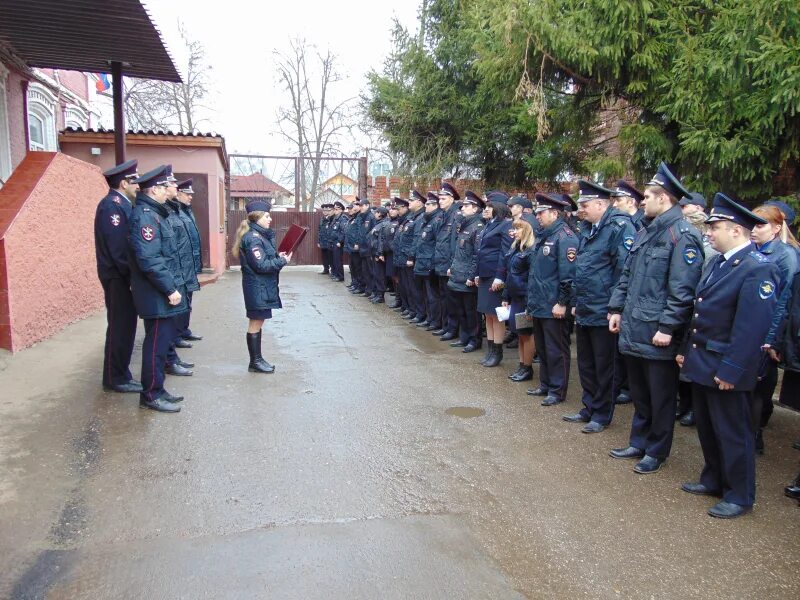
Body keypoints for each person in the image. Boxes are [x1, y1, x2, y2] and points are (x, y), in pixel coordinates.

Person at [678, 193, 779, 518]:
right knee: (708, 428)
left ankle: (739, 494)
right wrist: (685, 352)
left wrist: (732, 370)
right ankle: (714, 479)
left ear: (736, 230)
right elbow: (700, 311)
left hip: (726, 367)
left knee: (733, 432)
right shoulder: (718, 262)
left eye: (715, 227)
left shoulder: (757, 269)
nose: (708, 233)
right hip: (704, 360)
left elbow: (750, 329)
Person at [607, 162, 704, 474]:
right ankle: (639, 441)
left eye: (648, 196)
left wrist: (667, 327)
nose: (643, 201)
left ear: (665, 200)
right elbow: (627, 277)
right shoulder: (646, 231)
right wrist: (616, 309)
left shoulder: (682, 236)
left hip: (656, 332)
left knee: (661, 397)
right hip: (634, 325)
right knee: (640, 392)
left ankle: (656, 450)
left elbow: (683, 290)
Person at [563, 180, 635, 433]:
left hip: (604, 308)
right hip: (585, 306)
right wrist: (574, 301)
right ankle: (589, 407)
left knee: (605, 365)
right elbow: (581, 269)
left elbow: (623, 272)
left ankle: (602, 413)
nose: (580, 208)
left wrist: (615, 308)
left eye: (585, 204)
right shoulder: (588, 227)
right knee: (586, 363)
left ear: (601, 204)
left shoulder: (619, 227)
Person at [127, 165, 189, 413]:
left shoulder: (154, 213)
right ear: (154, 189)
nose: (168, 191)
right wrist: (169, 289)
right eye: (165, 187)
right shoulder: (145, 216)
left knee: (161, 344)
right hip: (155, 292)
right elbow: (150, 259)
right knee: (155, 346)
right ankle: (151, 394)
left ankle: (158, 389)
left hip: (159, 290)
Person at [751, 203, 799, 453]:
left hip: (768, 330)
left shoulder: (786, 256)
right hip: (751, 326)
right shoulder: (753, 249)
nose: (753, 229)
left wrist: (771, 339)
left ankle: (755, 435)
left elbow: (785, 302)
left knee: (761, 385)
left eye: (760, 224)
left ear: (776, 228)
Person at [94, 159, 142, 394]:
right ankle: (115, 377)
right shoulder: (112, 206)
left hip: (122, 275)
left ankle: (121, 373)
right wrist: (131, 277)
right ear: (123, 183)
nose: (138, 186)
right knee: (119, 327)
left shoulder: (122, 204)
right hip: (117, 277)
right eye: (134, 181)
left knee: (126, 326)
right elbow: (118, 248)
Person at [525, 193, 577, 406]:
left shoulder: (566, 238)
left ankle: (557, 389)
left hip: (554, 303)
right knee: (544, 348)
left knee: (556, 349)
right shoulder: (545, 235)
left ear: (554, 213)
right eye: (537, 212)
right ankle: (545, 384)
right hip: (540, 301)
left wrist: (562, 302)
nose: (538, 216)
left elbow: (568, 276)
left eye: (542, 212)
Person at [231, 200, 292, 374]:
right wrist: (282, 261)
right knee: (256, 322)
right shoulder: (252, 238)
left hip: (260, 287)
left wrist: (277, 255)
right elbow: (261, 265)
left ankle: (257, 359)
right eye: (267, 216)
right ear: (257, 217)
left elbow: (264, 258)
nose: (270, 219)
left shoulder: (258, 236)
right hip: (257, 287)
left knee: (258, 322)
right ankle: (255, 361)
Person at [676, 208, 719, 427]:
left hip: (700, 318)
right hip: (689, 313)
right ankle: (686, 405)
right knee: (685, 367)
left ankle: (691, 407)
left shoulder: (710, 253)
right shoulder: (709, 255)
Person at [163, 172, 200, 378]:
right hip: (175, 271)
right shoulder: (167, 212)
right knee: (171, 315)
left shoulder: (181, 211)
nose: (189, 196)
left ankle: (175, 347)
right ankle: (170, 356)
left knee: (183, 306)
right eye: (172, 186)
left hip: (185, 267)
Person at [475, 191, 513, 367]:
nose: (487, 208)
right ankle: (490, 350)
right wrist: (477, 273)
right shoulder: (489, 224)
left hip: (494, 276)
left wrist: (500, 276)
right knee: (487, 314)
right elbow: (481, 251)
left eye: (490, 206)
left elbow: (505, 253)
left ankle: (497, 352)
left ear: (499, 207)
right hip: (484, 274)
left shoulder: (506, 225)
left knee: (496, 315)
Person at [447, 192, 485, 352]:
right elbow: (459, 251)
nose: (463, 208)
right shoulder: (464, 225)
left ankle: (474, 339)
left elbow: (477, 255)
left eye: (467, 206)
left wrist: (471, 276)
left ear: (475, 209)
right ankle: (464, 337)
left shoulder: (477, 227)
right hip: (457, 274)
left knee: (471, 311)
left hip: (467, 277)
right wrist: (453, 268)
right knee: (460, 309)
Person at [502, 217, 536, 382]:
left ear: (527, 230)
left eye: (518, 229)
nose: (514, 232)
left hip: (524, 298)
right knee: (519, 334)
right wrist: (506, 296)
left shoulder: (531, 250)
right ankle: (522, 365)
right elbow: (510, 274)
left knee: (526, 334)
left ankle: (527, 367)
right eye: (514, 229)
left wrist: (529, 302)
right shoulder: (516, 248)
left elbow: (532, 279)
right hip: (516, 298)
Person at [174, 179, 204, 343]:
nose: (190, 197)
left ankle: (184, 329)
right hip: (183, 263)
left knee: (188, 299)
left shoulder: (186, 210)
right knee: (182, 300)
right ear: (178, 194)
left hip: (190, 263)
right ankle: (177, 334)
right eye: (187, 194)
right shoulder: (175, 211)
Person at [433, 183, 461, 340]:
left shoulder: (456, 215)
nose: (440, 202)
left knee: (451, 300)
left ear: (451, 199)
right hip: (441, 262)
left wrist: (452, 265)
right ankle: (446, 326)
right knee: (444, 297)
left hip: (449, 264)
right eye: (439, 199)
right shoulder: (443, 215)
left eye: (443, 199)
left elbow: (455, 243)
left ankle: (453, 328)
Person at [413, 193, 445, 329]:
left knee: (433, 295)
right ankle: (429, 317)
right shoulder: (428, 219)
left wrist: (432, 262)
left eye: (428, 204)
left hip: (430, 263)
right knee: (425, 294)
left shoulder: (436, 220)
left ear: (434, 205)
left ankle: (435, 321)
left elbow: (438, 243)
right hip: (422, 261)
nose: (425, 206)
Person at [401, 191, 427, 322]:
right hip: (405, 256)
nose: (409, 202)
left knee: (416, 288)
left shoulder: (421, 217)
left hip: (413, 258)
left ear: (420, 202)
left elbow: (416, 239)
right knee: (409, 286)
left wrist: (411, 257)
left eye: (412, 200)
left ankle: (419, 312)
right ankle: (412, 309)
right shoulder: (412, 216)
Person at [330, 201, 347, 281]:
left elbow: (343, 231)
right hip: (334, 241)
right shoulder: (335, 218)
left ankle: (340, 276)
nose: (335, 210)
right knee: (334, 260)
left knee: (338, 260)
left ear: (341, 210)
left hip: (338, 242)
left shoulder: (343, 218)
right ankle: (336, 274)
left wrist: (340, 241)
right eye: (334, 209)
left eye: (337, 209)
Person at [317, 203, 333, 276]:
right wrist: (319, 241)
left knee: (330, 256)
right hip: (323, 241)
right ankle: (325, 269)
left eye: (326, 210)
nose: (325, 212)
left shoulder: (331, 219)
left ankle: (332, 270)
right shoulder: (322, 219)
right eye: (323, 210)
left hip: (329, 242)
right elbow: (319, 231)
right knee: (324, 256)